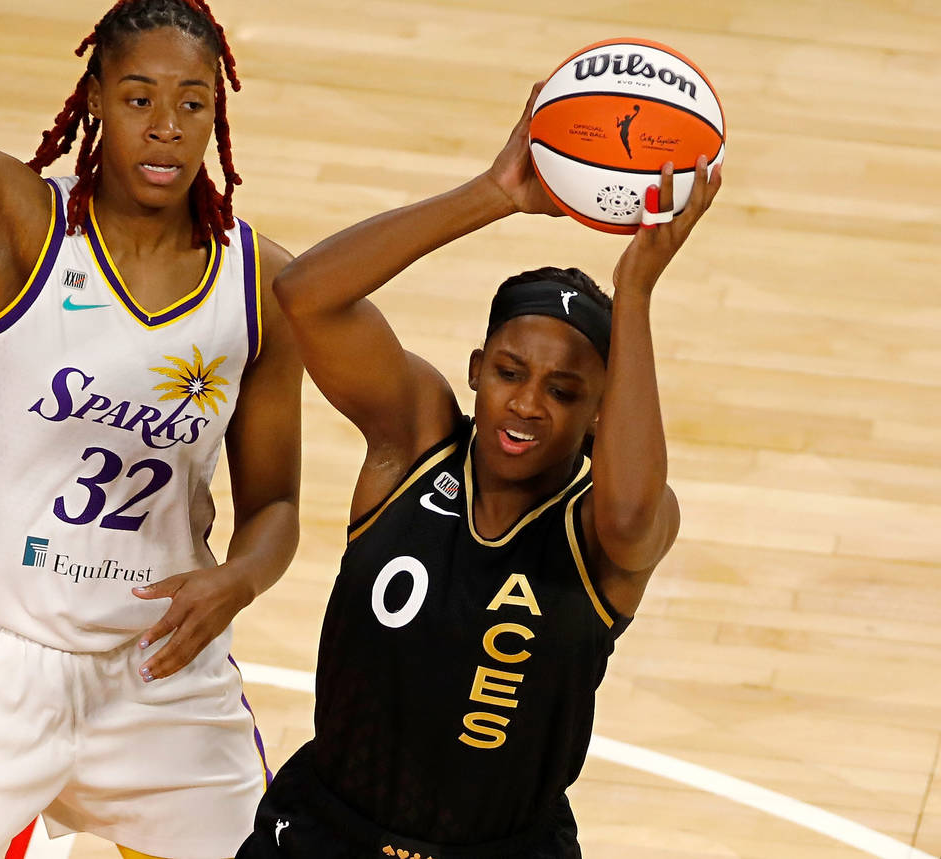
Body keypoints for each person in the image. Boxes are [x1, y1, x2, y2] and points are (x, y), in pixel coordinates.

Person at [0, 0, 301, 855]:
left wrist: (240, 579)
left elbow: (276, 506)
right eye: (137, 98)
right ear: (92, 98)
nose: (166, 128)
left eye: (192, 103)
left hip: (159, 672)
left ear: (217, 114)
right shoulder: (17, 225)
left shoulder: (259, 285)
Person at [237, 81, 722, 859]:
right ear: (474, 369)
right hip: (326, 831)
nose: (527, 403)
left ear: (603, 412)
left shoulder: (605, 524)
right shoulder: (415, 440)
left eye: (564, 392)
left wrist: (635, 289)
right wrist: (492, 193)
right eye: (508, 371)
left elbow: (633, 516)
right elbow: (304, 295)